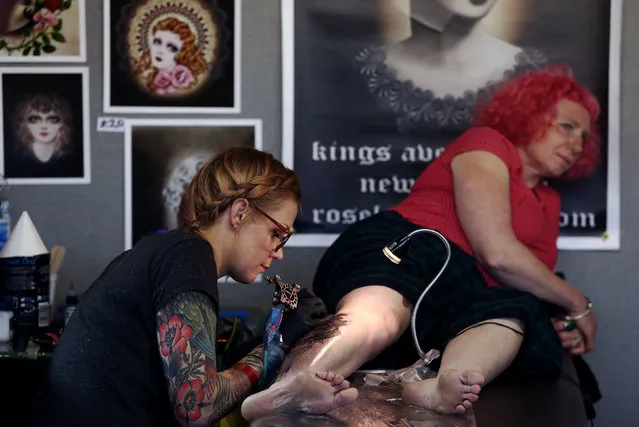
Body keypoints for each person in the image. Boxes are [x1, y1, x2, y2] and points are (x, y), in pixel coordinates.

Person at [241, 66, 599, 419]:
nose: (576, 144)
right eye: (567, 126)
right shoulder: (488, 144)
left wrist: (560, 320)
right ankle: (294, 385)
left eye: (584, 136)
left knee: (516, 308)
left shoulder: (550, 203)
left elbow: (528, 279)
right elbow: (498, 254)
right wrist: (578, 305)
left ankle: (443, 384)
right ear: (529, 116)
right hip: (416, 245)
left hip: (463, 301)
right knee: (381, 314)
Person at [29, 147, 355, 427]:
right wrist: (276, 343)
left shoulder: (167, 251)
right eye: (277, 233)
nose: (279, 251)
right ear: (240, 212)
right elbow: (196, 407)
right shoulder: (188, 258)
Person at [134, 16, 208, 95]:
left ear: (182, 52)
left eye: (171, 47)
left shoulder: (185, 83)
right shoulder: (151, 77)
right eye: (157, 42)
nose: (160, 51)